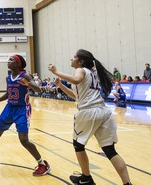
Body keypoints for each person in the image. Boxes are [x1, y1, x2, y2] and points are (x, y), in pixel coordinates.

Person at [48, 49, 132, 185]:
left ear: (80, 61)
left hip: (89, 112)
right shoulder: (93, 74)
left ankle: (86, 178)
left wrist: (56, 72)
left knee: (78, 145)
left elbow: (76, 79)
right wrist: (60, 86)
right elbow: (76, 96)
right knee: (110, 150)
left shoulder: (80, 70)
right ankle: (127, 183)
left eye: (74, 57)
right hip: (104, 112)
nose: (71, 58)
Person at [0, 54, 51, 176]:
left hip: (22, 110)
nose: (8, 61)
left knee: (24, 140)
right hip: (9, 108)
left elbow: (38, 89)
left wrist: (28, 84)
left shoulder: (25, 75)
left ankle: (43, 164)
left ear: (18, 64)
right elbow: (8, 94)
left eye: (11, 60)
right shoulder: (8, 77)